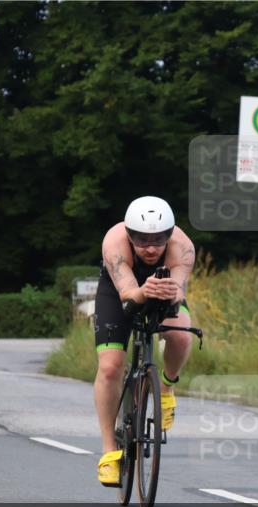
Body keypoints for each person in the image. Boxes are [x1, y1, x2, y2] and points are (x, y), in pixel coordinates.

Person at [93, 196, 196, 486]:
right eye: (141, 241)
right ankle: (108, 452)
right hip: (120, 292)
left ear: (170, 234)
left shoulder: (183, 247)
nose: (150, 248)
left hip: (164, 289)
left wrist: (164, 291)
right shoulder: (114, 243)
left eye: (158, 240)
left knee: (180, 334)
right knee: (111, 367)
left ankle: (165, 388)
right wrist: (142, 291)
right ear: (129, 234)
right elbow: (128, 295)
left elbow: (176, 292)